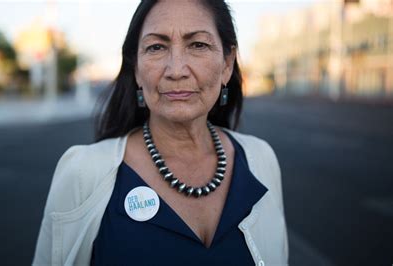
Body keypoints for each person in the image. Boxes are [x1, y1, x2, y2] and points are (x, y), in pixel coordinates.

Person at [33, 0, 289, 265]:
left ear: (226, 64)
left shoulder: (261, 160)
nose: (176, 71)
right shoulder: (82, 172)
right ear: (136, 70)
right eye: (156, 47)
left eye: (198, 45)